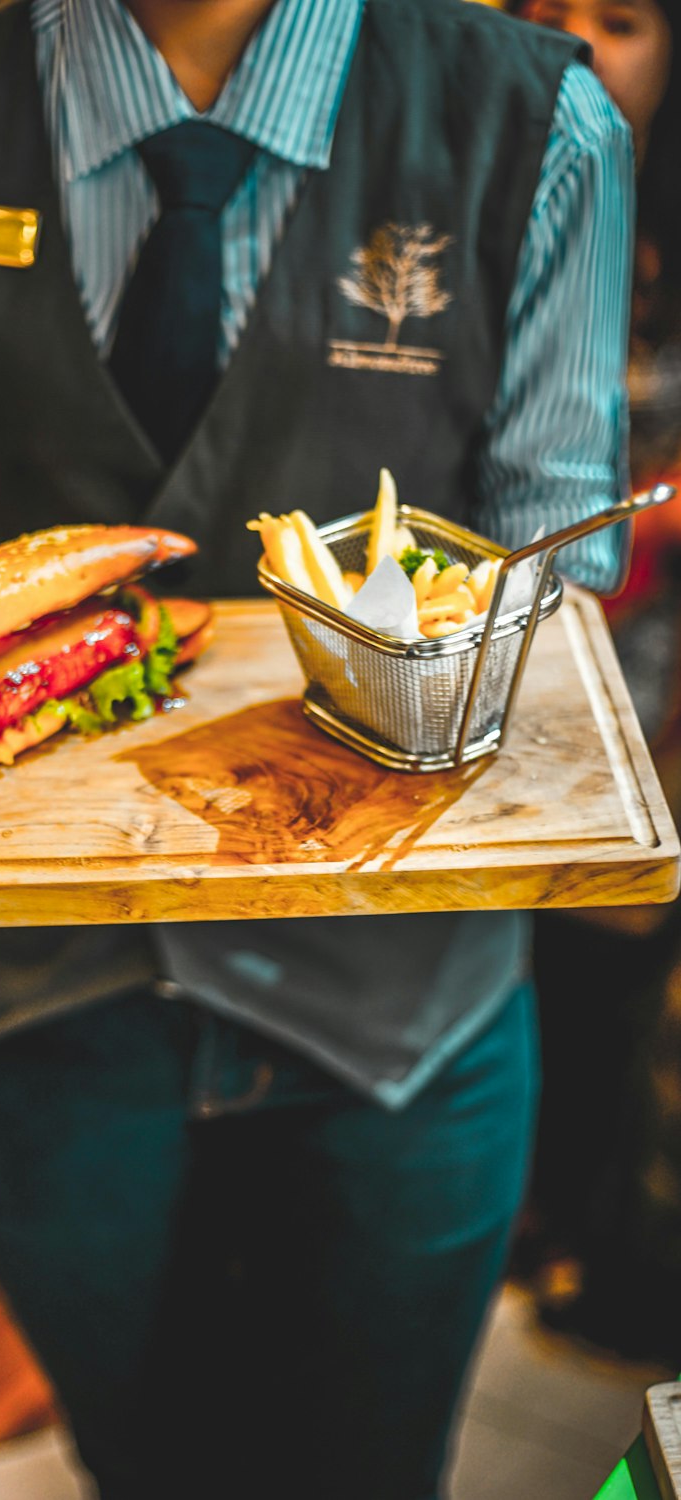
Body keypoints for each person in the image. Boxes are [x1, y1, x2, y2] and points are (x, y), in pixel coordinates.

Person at [0, 0, 633, 1495]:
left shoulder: (539, 123)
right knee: (138, 1466)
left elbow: (551, 569)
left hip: (404, 1014)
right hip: (39, 1011)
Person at [508, 0, 681, 1362]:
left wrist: (644, 517)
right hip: (491, 642)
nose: (573, 43)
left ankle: (588, 1228)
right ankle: (520, 1215)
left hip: (649, 657)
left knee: (607, 948)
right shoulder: (476, 178)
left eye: (616, 19)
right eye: (541, 10)